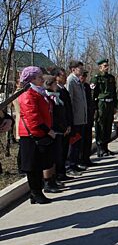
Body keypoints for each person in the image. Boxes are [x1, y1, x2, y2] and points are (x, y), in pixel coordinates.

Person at [17, 66, 55, 204]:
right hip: (31, 135)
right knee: (33, 167)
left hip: (39, 133)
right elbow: (32, 117)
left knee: (38, 165)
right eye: (39, 77)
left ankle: (36, 193)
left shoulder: (39, 92)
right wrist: (47, 130)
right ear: (32, 79)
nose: (42, 79)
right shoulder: (28, 94)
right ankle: (35, 192)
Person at [49, 67, 75, 178]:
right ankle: (59, 173)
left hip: (66, 125)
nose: (65, 78)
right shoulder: (55, 92)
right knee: (59, 153)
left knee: (64, 151)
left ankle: (62, 172)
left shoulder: (63, 90)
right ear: (57, 77)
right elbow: (57, 113)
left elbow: (68, 109)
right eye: (63, 76)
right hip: (59, 127)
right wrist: (63, 127)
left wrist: (69, 124)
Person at [42, 75, 66, 193]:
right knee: (51, 157)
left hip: (59, 129)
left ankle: (53, 179)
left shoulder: (56, 97)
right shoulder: (48, 97)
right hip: (52, 130)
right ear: (50, 84)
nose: (57, 85)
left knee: (57, 156)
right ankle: (48, 182)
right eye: (55, 83)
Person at [91, 58, 117, 157]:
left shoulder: (111, 78)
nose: (107, 67)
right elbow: (93, 94)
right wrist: (94, 109)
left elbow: (114, 92)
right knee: (100, 126)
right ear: (100, 67)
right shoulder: (96, 78)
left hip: (110, 104)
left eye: (107, 66)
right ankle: (100, 149)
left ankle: (105, 148)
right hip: (101, 104)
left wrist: (115, 106)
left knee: (108, 126)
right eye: (104, 66)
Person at [66, 60, 88, 170]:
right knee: (74, 143)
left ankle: (75, 163)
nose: (82, 70)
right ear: (73, 69)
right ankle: (71, 165)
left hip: (81, 117)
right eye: (80, 68)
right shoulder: (71, 81)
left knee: (78, 143)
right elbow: (69, 100)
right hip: (75, 118)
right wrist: (70, 118)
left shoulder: (78, 81)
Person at [80, 71, 95, 166]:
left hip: (88, 115)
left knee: (88, 138)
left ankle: (86, 158)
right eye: (82, 76)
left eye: (85, 76)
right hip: (80, 117)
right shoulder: (75, 85)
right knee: (81, 140)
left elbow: (90, 100)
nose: (83, 78)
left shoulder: (86, 86)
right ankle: (80, 159)